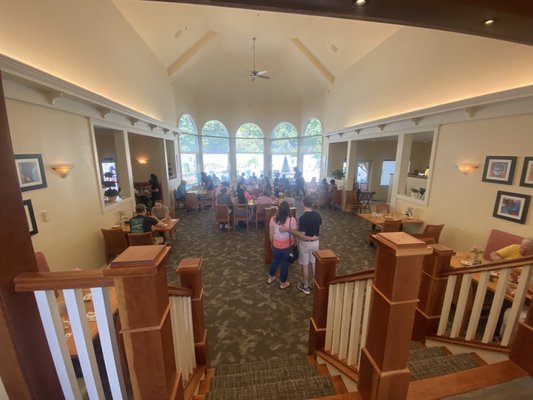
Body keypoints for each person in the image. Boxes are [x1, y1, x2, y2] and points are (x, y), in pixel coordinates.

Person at [281, 196, 322, 295]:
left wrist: (288, 230)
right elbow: (319, 230)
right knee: (314, 264)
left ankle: (306, 286)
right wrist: (313, 238)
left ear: (303, 203)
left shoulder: (303, 218)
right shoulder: (318, 215)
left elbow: (302, 235)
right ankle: (315, 284)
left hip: (305, 244)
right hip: (316, 243)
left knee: (305, 265)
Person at [267, 201, 297, 289]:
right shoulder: (292, 220)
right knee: (284, 264)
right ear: (288, 210)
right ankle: (283, 283)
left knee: (275, 261)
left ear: (279, 209)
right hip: (287, 246)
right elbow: (294, 233)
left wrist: (271, 243)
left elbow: (271, 233)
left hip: (275, 244)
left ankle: (271, 277)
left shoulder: (273, 219)